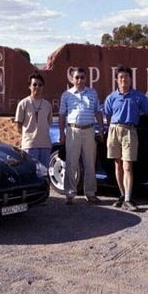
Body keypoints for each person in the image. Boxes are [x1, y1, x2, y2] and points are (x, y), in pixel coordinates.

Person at [104, 65, 148, 212]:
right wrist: (107, 129)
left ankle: (128, 198)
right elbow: (107, 114)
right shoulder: (111, 97)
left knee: (127, 166)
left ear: (130, 79)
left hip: (129, 131)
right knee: (117, 165)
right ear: (116, 80)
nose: (123, 80)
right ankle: (122, 195)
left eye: (126, 77)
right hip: (114, 130)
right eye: (121, 77)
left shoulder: (138, 96)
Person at [58, 67, 104, 205]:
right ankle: (70, 194)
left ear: (86, 78)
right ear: (72, 79)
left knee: (90, 164)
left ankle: (90, 193)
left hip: (89, 131)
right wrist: (62, 134)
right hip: (73, 131)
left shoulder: (92, 93)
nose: (79, 80)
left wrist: (101, 129)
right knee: (71, 164)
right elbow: (62, 115)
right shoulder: (66, 95)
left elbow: (97, 111)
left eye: (82, 77)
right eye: (77, 77)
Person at [14, 72, 53, 169]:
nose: (37, 87)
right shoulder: (23, 104)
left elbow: (48, 123)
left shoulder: (47, 105)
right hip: (29, 146)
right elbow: (18, 125)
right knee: (31, 171)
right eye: (34, 84)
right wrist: (29, 136)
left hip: (45, 146)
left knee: (44, 172)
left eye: (40, 85)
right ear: (29, 86)